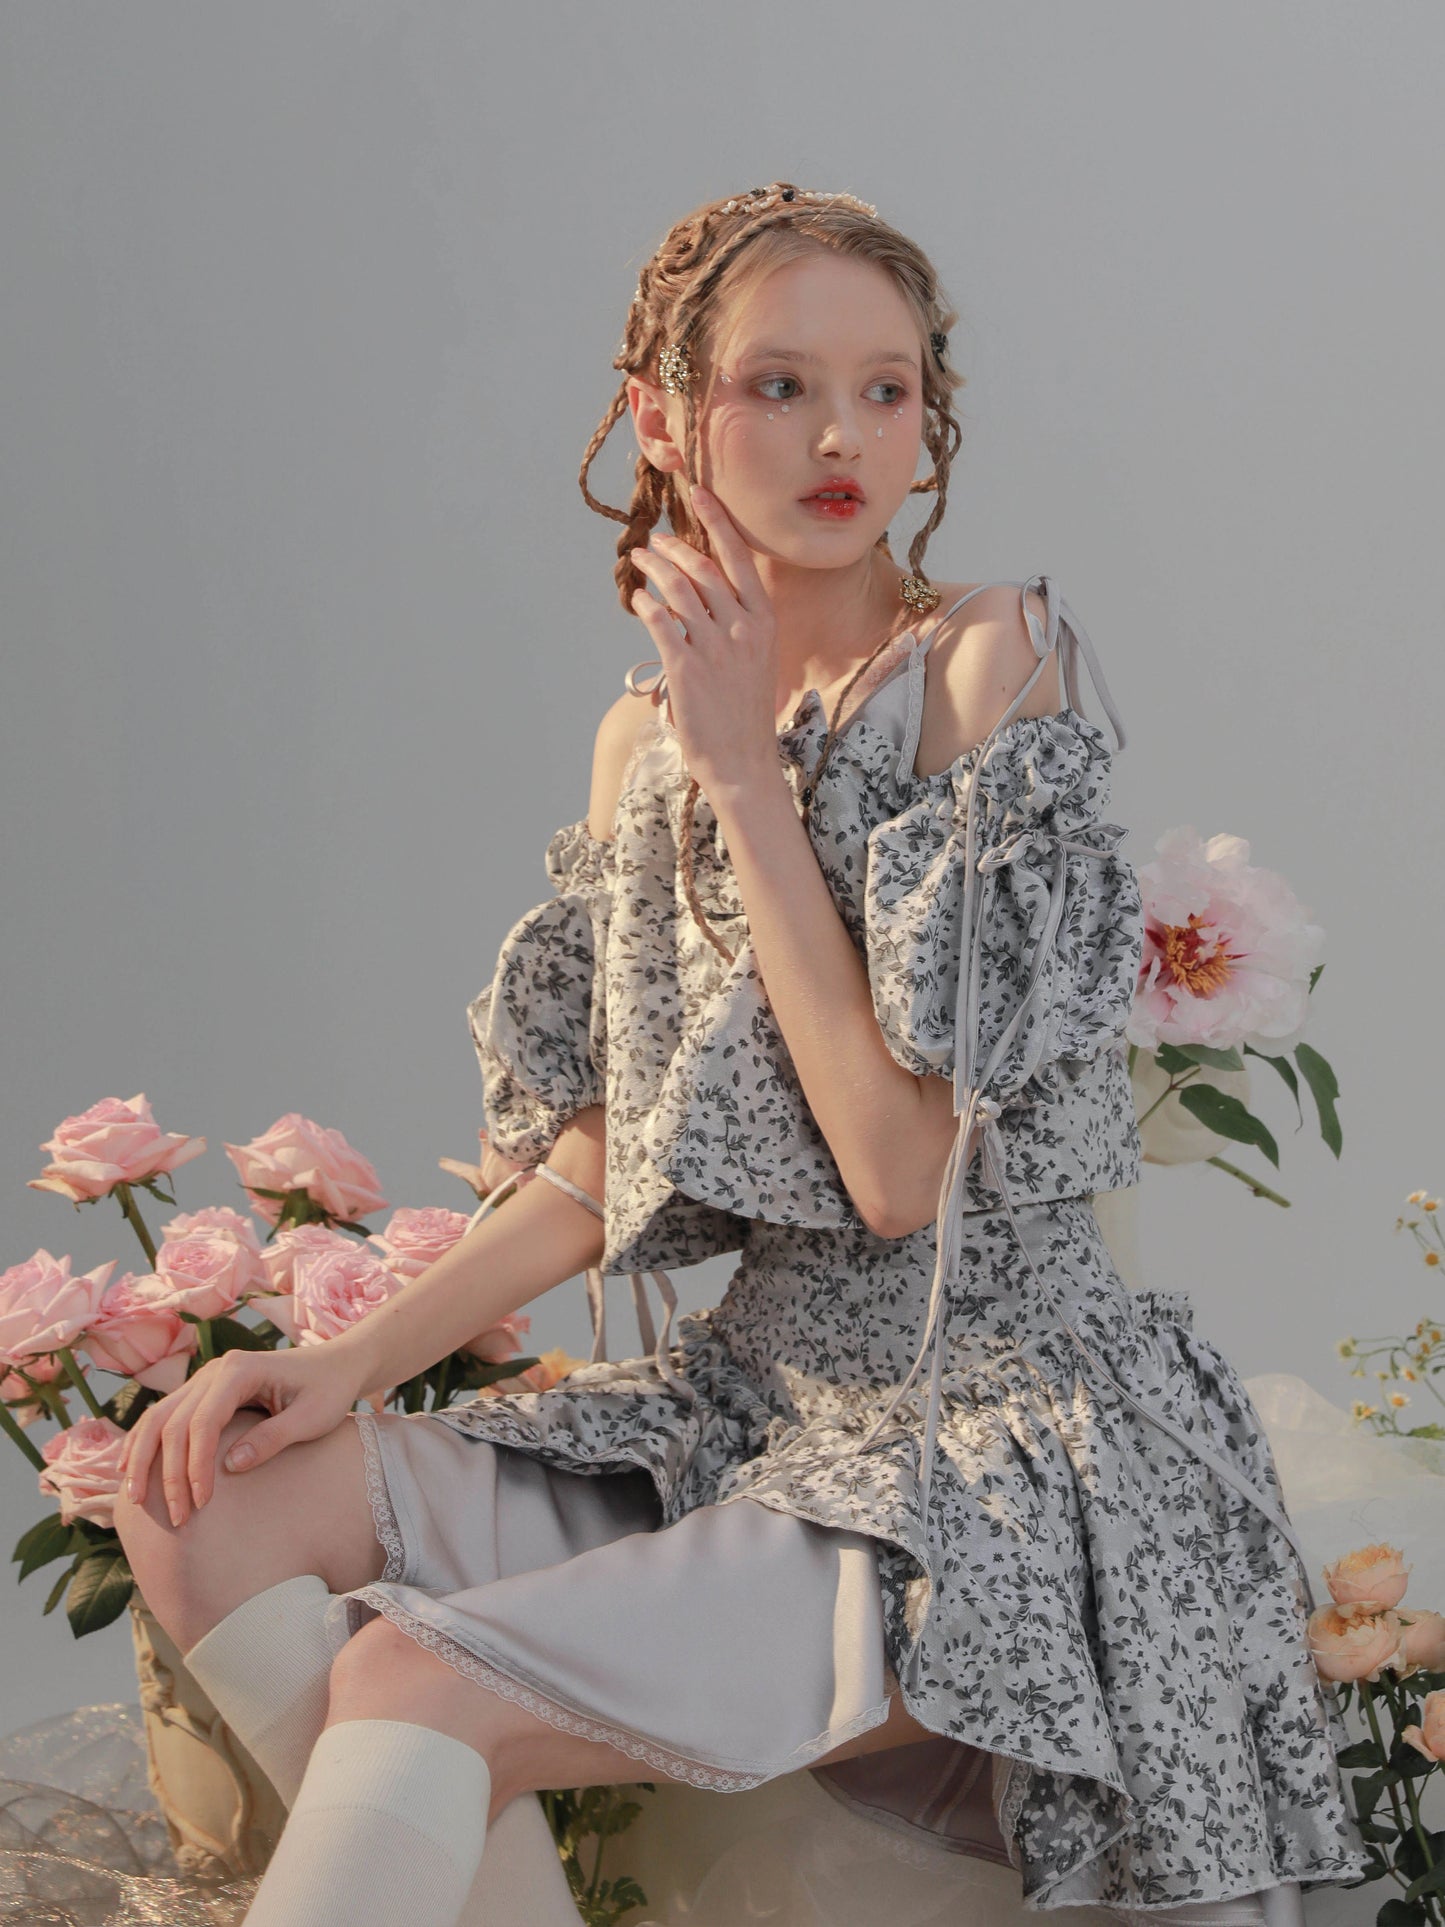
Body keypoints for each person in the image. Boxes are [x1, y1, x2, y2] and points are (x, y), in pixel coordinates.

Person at [113, 181, 1369, 1926]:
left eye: (885, 389)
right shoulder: (638, 737)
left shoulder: (987, 660)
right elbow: (613, 1154)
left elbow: (902, 1177)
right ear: (659, 418)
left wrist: (744, 783)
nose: (841, 437)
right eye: (778, 386)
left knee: (410, 1681)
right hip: (754, 1411)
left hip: (993, 1444)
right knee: (209, 1512)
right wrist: (351, 1363)